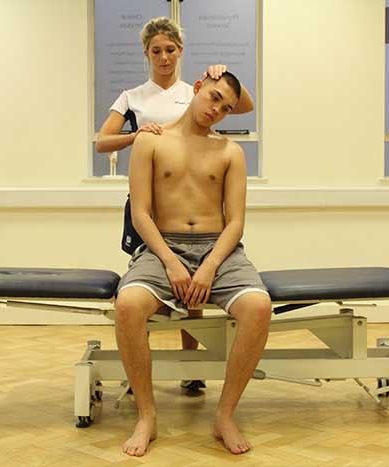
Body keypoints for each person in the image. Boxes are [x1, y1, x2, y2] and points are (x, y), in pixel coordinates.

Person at [114, 72, 272, 457]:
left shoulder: (230, 151)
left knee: (258, 307)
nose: (216, 110)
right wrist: (169, 261)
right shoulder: (150, 141)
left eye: (226, 108)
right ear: (197, 89)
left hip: (217, 248)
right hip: (161, 246)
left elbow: (235, 222)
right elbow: (141, 214)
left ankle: (225, 415)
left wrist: (208, 266)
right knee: (128, 306)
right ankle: (147, 416)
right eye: (214, 98)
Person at [96, 16, 255, 378]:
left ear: (180, 52)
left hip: (200, 212)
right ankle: (142, 366)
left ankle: (190, 368)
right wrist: (138, 137)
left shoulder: (194, 92)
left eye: (170, 50)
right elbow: (102, 143)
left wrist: (224, 74)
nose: (164, 57)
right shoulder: (133, 97)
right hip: (153, 205)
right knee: (156, 283)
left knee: (194, 294)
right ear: (147, 54)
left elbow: (240, 103)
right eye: (157, 51)